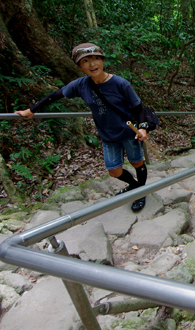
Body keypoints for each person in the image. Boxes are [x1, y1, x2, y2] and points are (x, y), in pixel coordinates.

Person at [15, 43, 151, 212]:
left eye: (96, 59)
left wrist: (143, 128)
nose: (92, 64)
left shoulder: (120, 84)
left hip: (128, 132)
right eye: (86, 61)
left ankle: (141, 192)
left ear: (102, 61)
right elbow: (56, 95)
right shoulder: (81, 85)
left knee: (137, 162)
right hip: (107, 135)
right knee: (114, 171)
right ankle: (135, 186)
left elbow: (138, 107)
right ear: (79, 66)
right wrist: (31, 110)